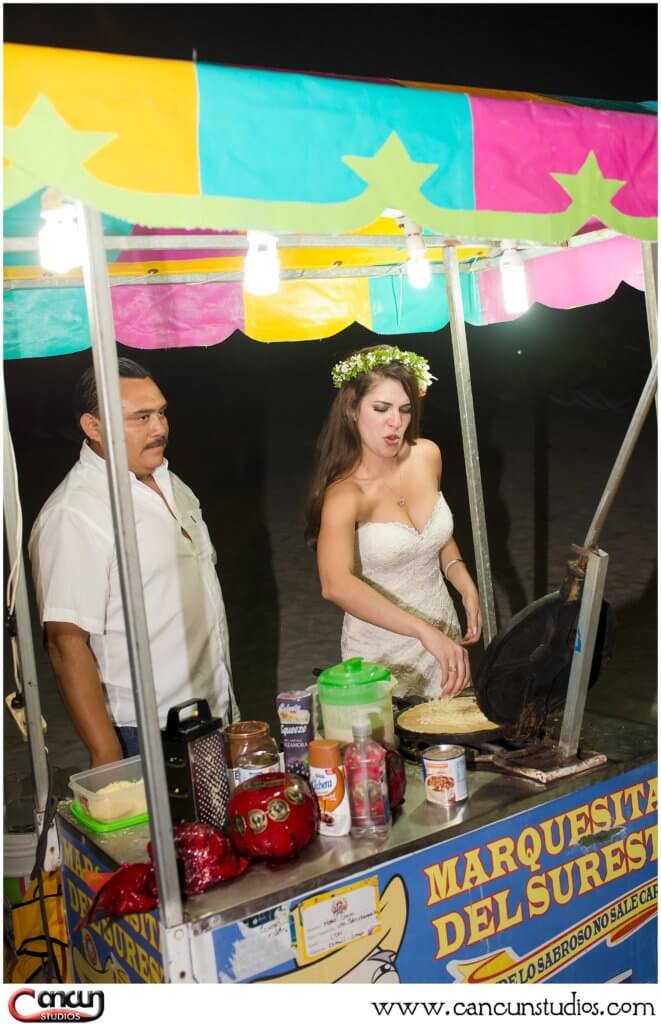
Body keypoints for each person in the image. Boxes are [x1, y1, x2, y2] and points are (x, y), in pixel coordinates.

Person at [29, 358, 238, 766]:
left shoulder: (168, 480)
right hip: (144, 732)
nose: (160, 428)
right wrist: (106, 753)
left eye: (161, 413)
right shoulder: (75, 514)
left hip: (212, 708)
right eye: (141, 417)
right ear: (94, 427)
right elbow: (65, 642)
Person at [305, 345, 482, 699]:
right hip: (380, 654)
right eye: (381, 409)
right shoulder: (345, 494)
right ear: (352, 411)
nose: (395, 423)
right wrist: (421, 631)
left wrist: (463, 582)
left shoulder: (427, 455)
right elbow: (335, 584)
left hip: (442, 637)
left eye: (404, 410)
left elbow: (435, 536)